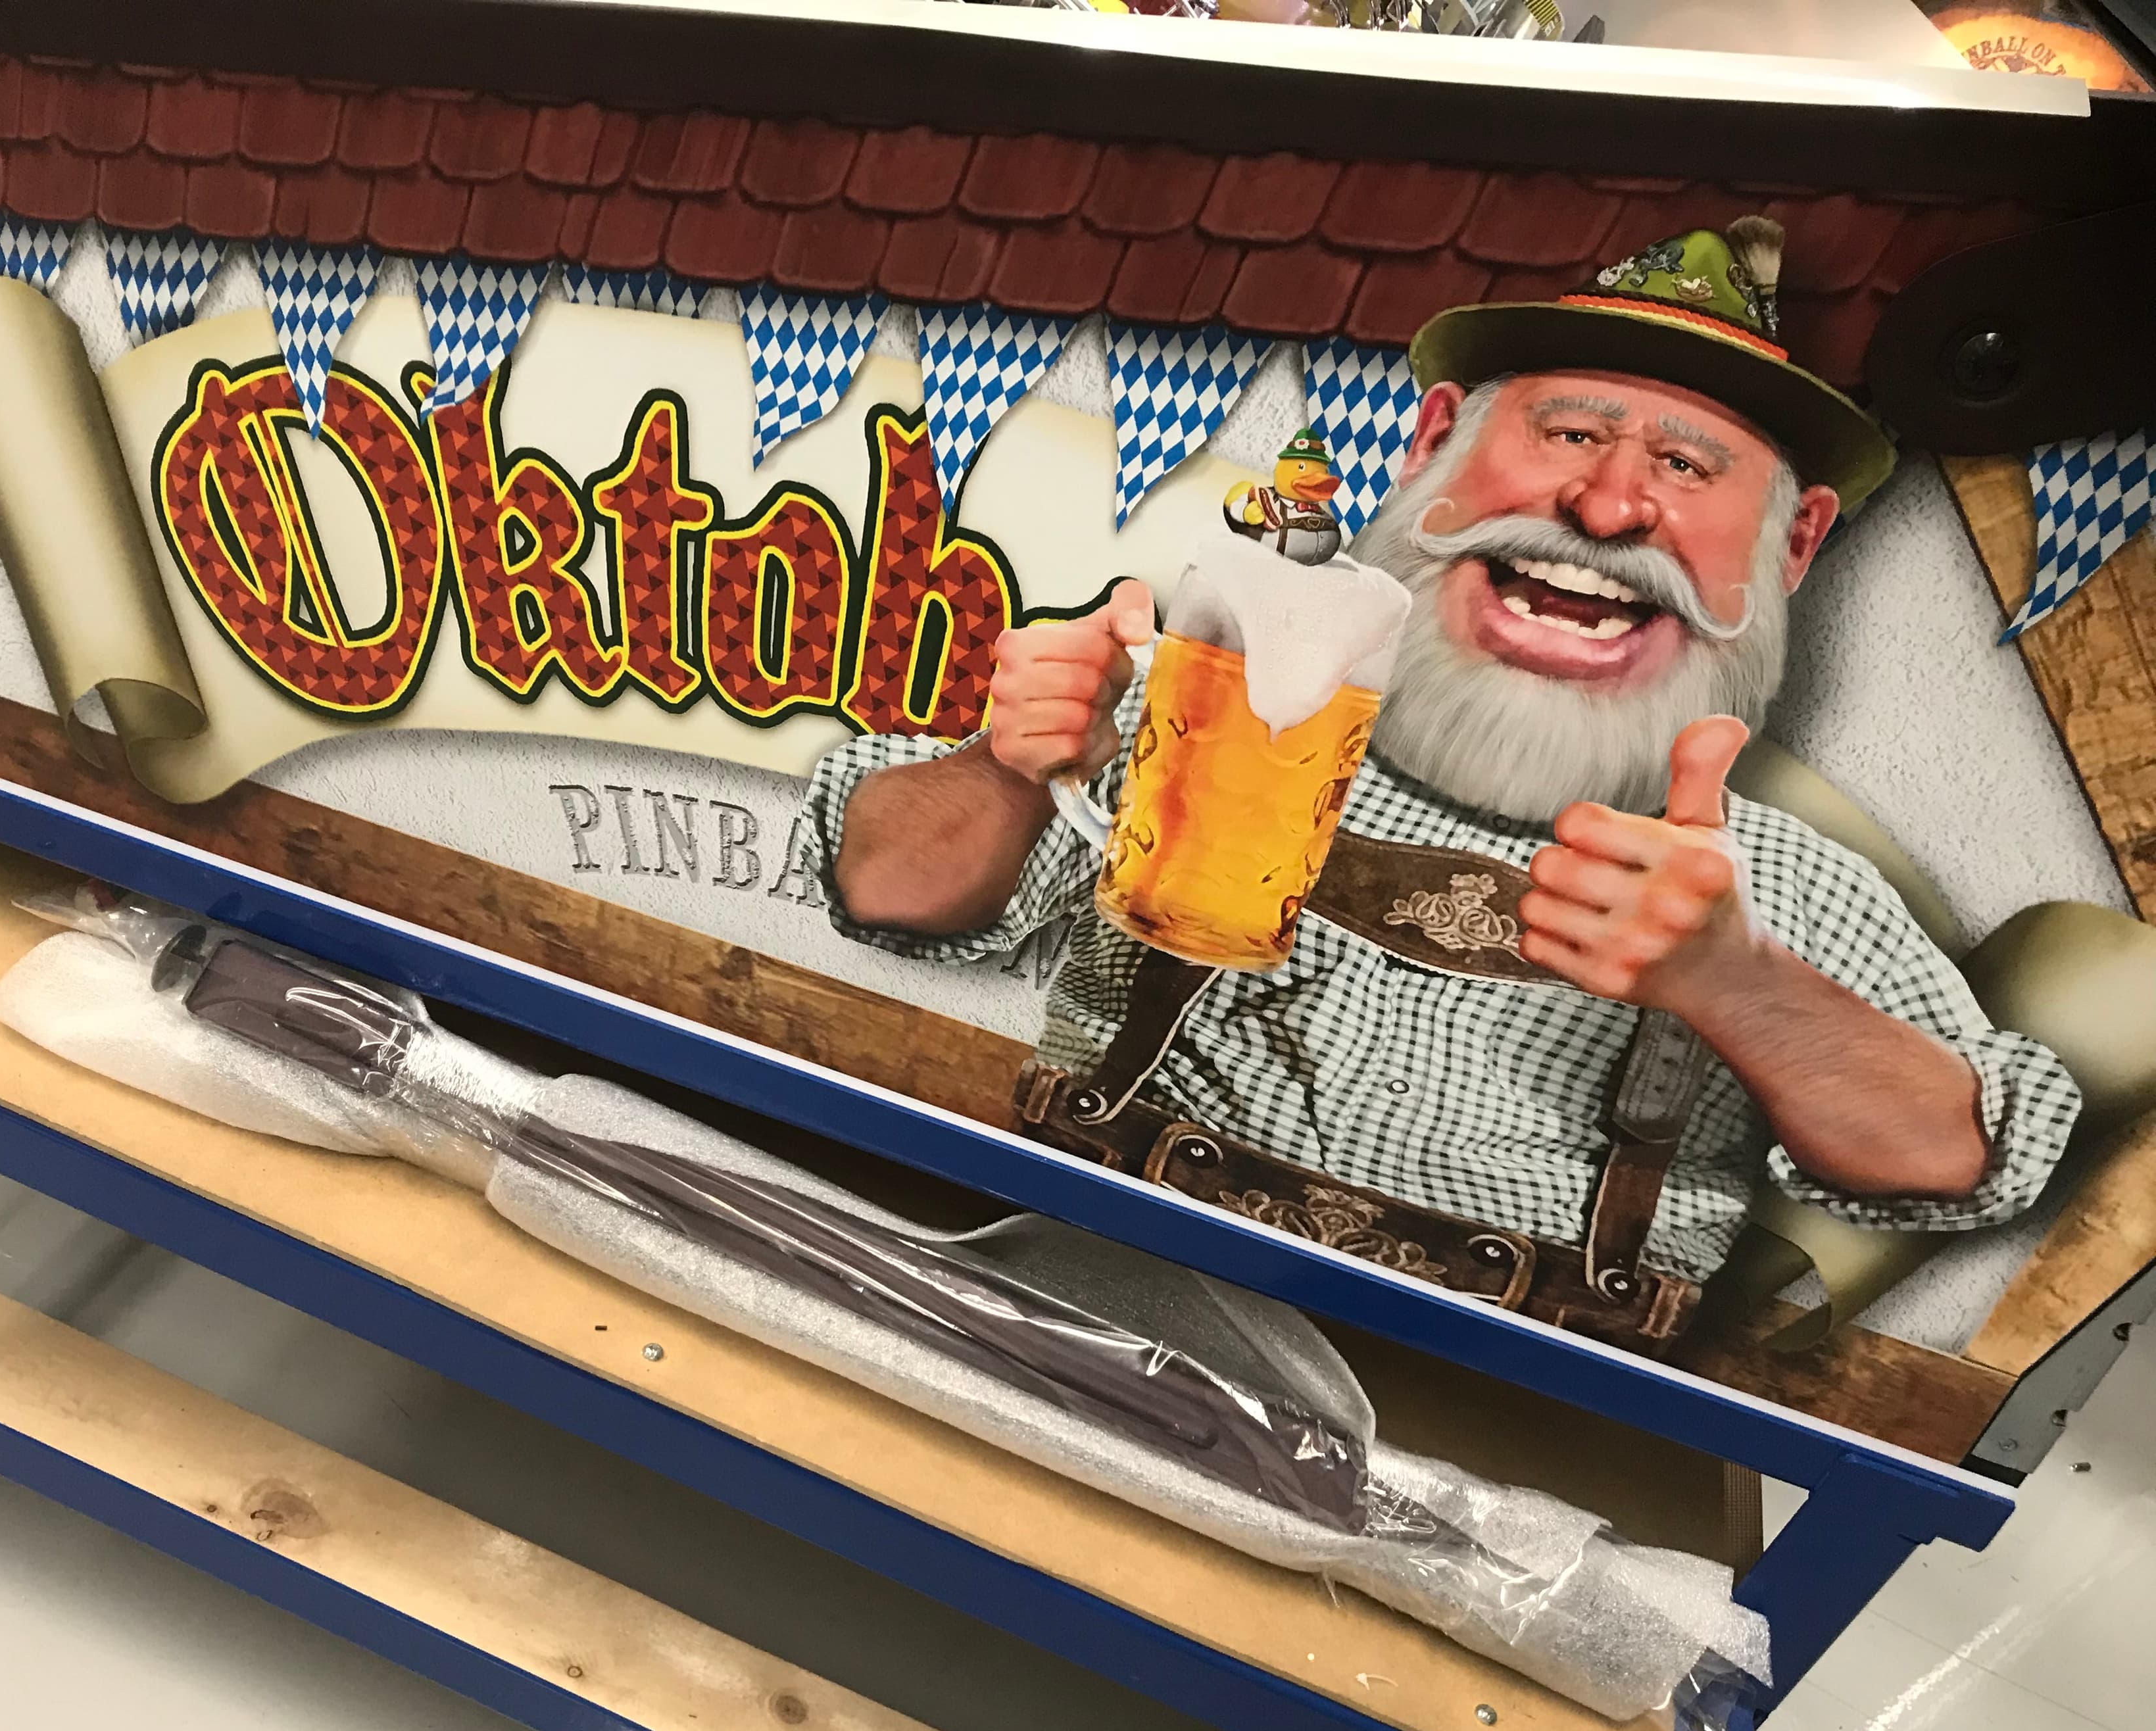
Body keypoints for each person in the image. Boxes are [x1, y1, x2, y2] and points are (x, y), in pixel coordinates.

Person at [800, 219, 2080, 1352]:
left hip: (1510, 1410)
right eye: (1570, 432)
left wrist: (1733, 979)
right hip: (1059, 1290)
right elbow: (887, 889)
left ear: (1794, 541)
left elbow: (1956, 1163)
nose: (1608, 503)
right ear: (1432, 444)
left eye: (1689, 470)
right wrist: (1008, 764)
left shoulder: (1776, 881)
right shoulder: (1206, 720)